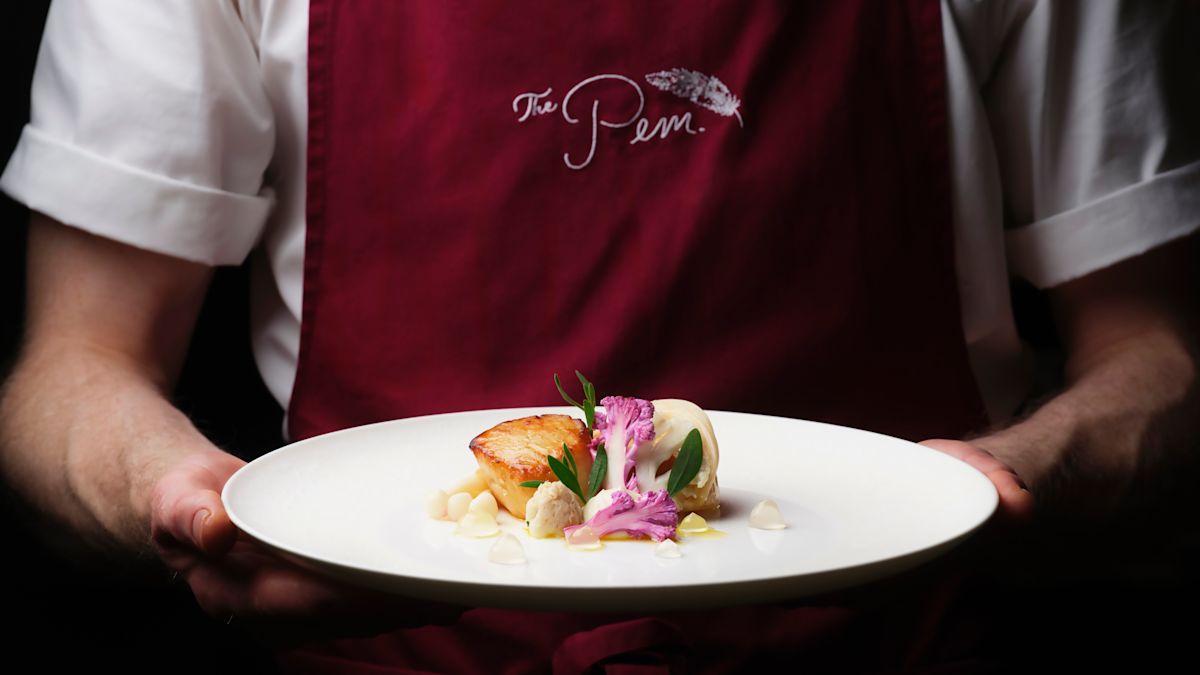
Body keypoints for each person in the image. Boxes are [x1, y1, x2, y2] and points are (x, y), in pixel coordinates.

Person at [2, 0, 1198, 672]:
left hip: (895, 650)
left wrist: (1021, 478)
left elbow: (1160, 358)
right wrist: (180, 498)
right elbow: (74, 366)